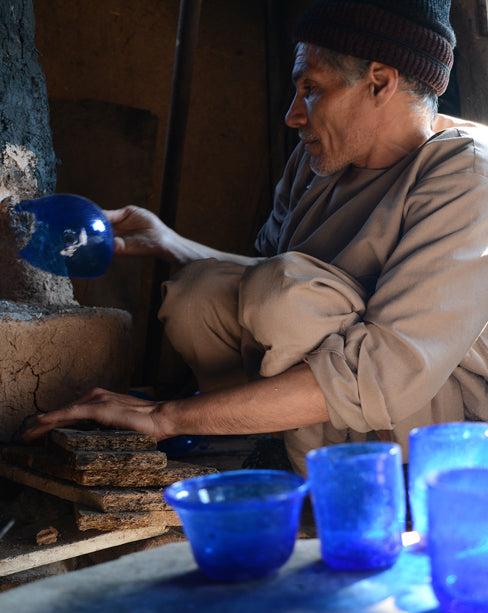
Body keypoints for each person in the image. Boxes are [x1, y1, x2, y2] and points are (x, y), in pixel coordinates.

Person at [24, 0, 488, 474]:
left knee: (282, 298)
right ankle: (267, 451)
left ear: (379, 82)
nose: (293, 115)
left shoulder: (467, 175)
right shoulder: (318, 162)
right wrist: (172, 244)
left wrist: (165, 417)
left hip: (438, 431)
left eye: (311, 88)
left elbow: (385, 369)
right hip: (343, 405)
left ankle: (352, 489)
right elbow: (265, 278)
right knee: (200, 293)